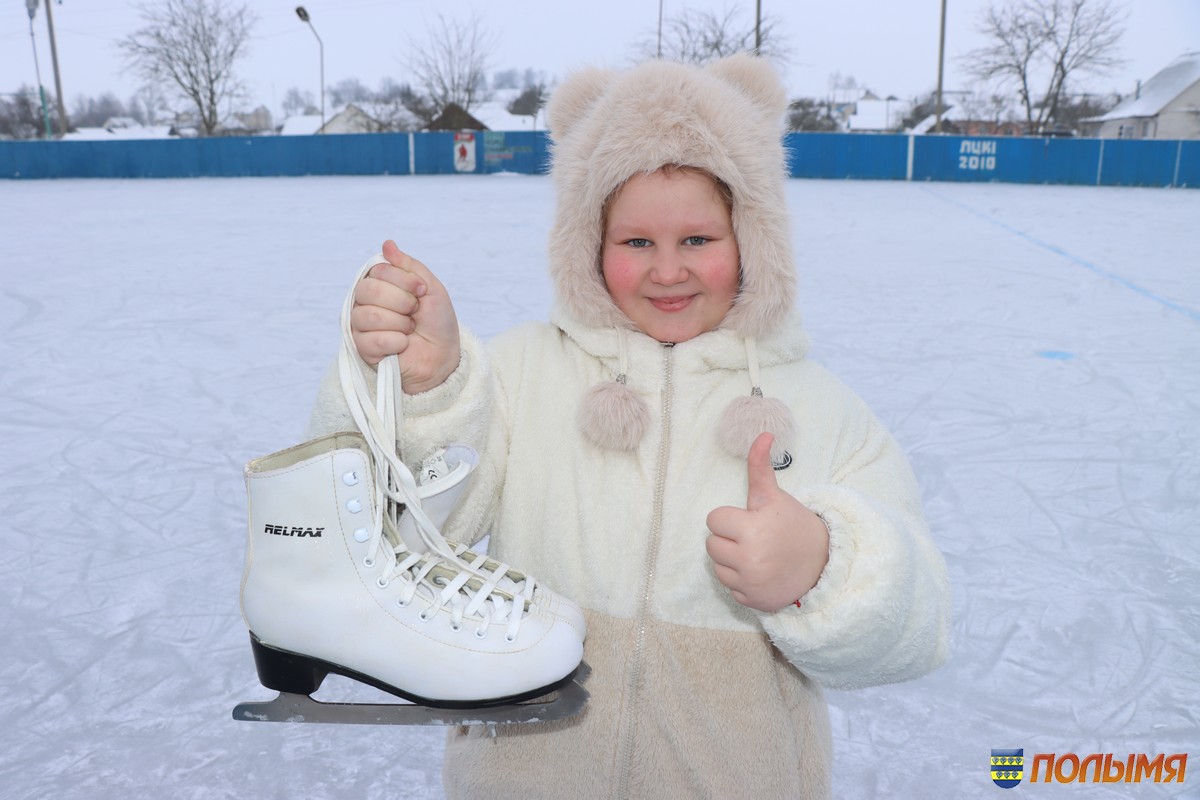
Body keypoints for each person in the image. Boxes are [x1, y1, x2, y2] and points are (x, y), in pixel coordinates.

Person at [307, 54, 951, 799]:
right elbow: (395, 535)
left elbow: (921, 620)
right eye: (636, 242)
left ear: (752, 240)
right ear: (589, 245)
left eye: (699, 241)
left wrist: (823, 567)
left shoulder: (823, 410)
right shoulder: (519, 373)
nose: (667, 271)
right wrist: (423, 386)